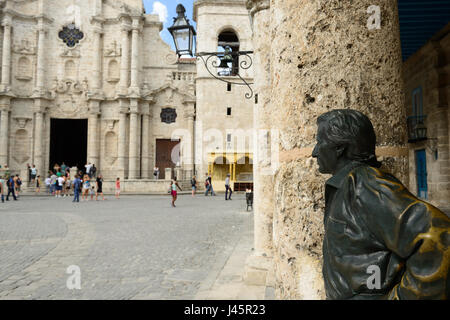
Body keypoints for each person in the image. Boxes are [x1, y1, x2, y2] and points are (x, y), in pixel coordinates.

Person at [312, 109, 450, 300]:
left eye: (320, 142)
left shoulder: (364, 185)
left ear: (339, 148)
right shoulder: (348, 184)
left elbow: (437, 235)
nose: (315, 152)